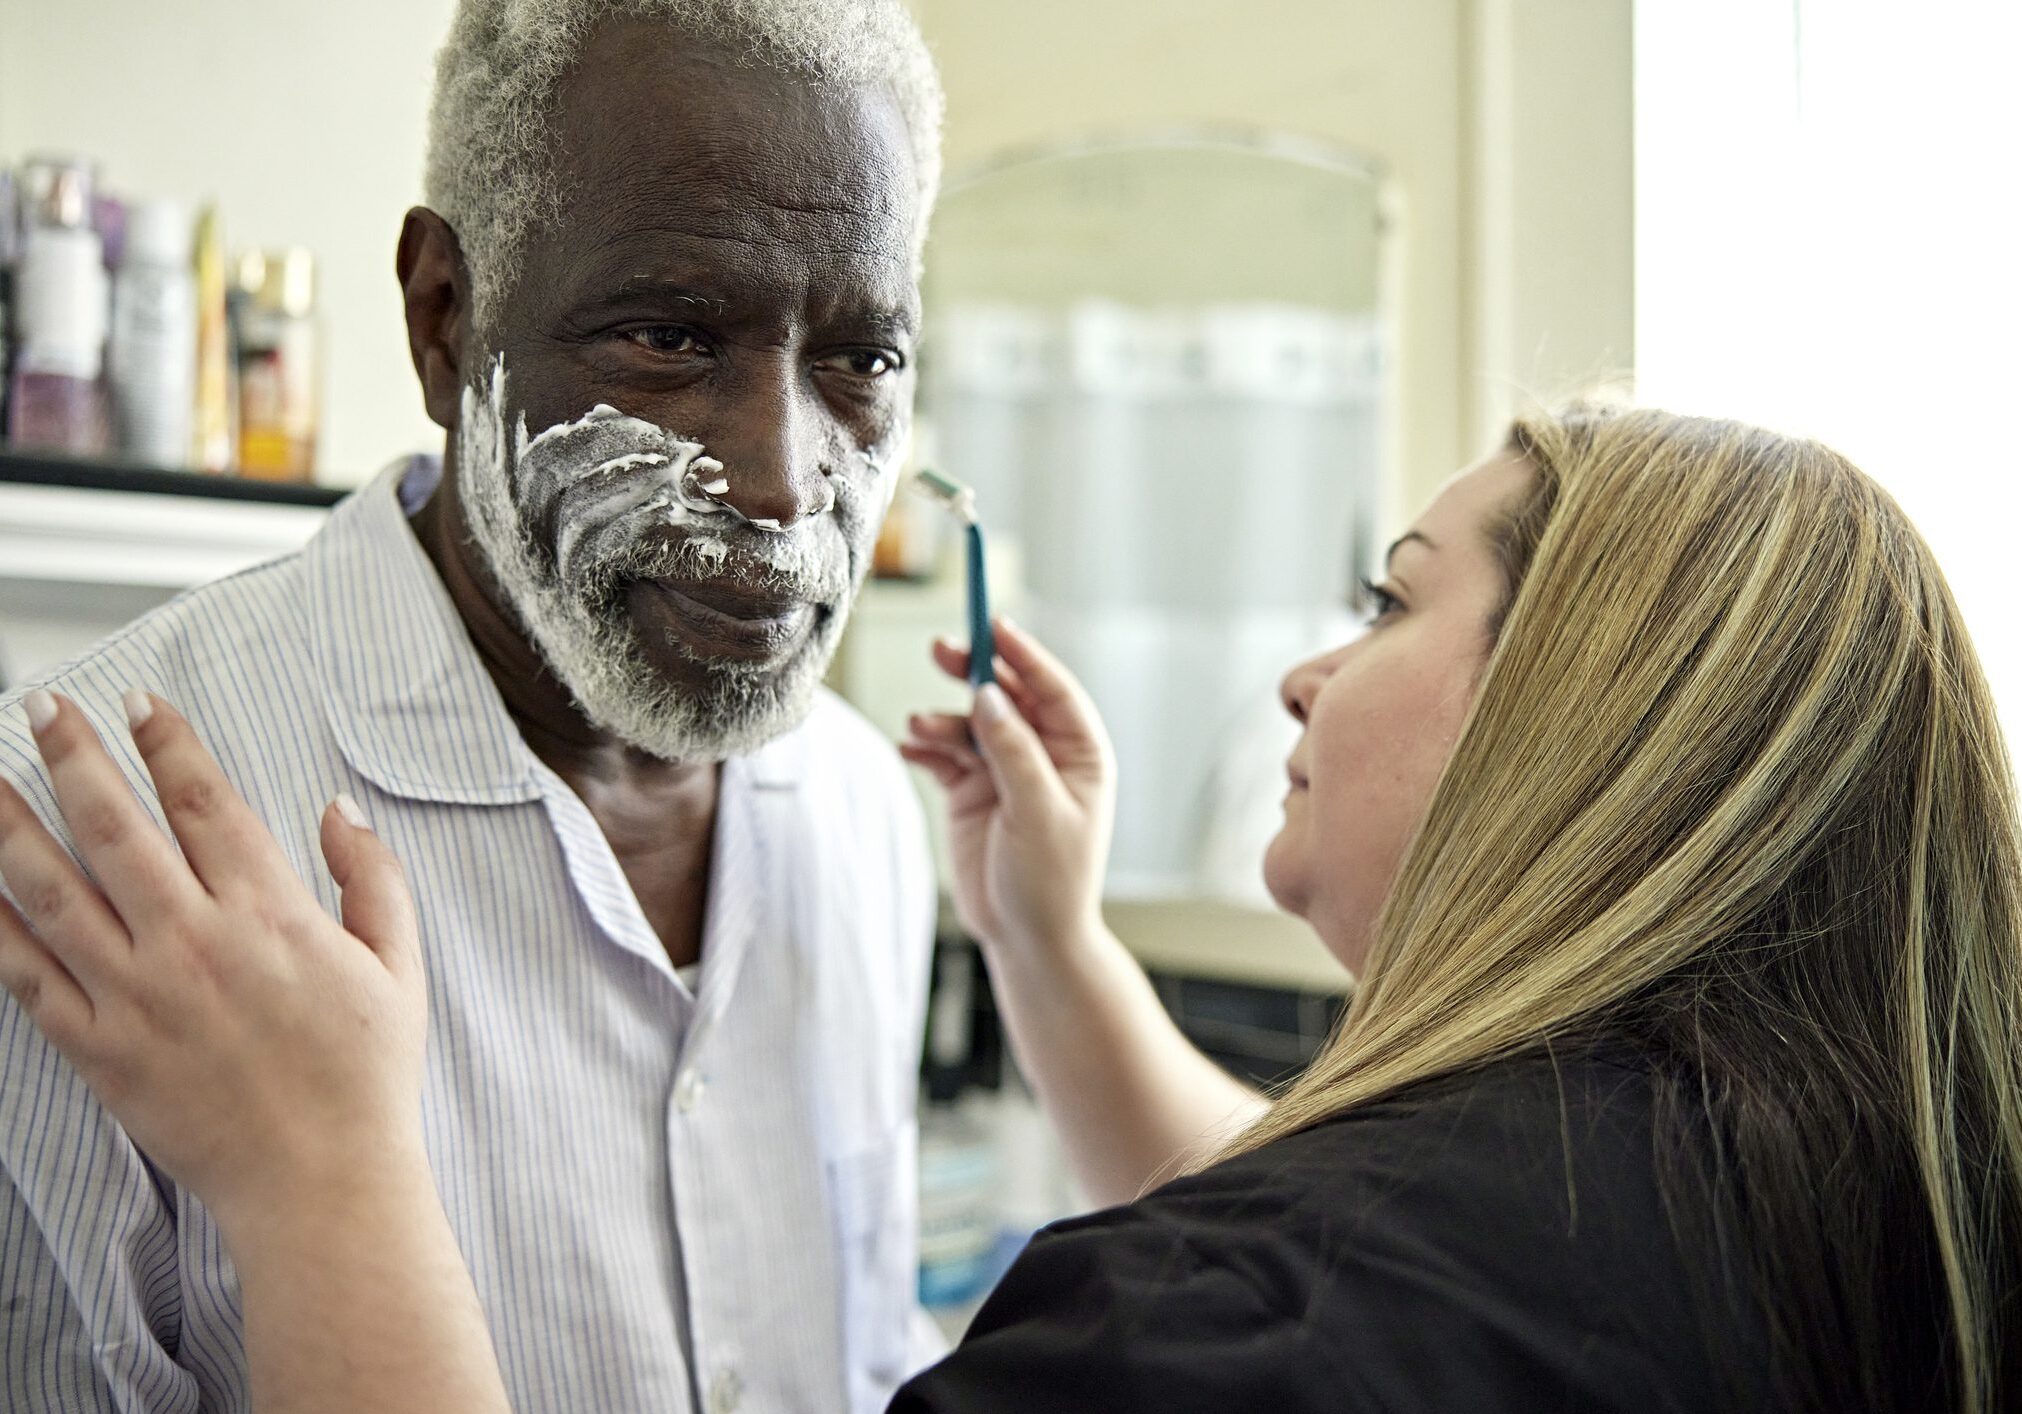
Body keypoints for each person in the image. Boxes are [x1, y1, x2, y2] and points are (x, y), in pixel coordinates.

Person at [4, 405, 2021, 1413]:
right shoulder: (1854, 1196)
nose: (1315, 675)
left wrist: (315, 1168)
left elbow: (1316, 1293)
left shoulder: (1235, 1328)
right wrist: (1054, 949)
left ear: (1590, 716)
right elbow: (1431, 1256)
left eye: (1393, 598)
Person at [0, 3, 950, 1410]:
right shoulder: (92, 847)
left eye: (860, 362)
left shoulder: (865, 807)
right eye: (669, 338)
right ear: (444, 317)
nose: (780, 479)